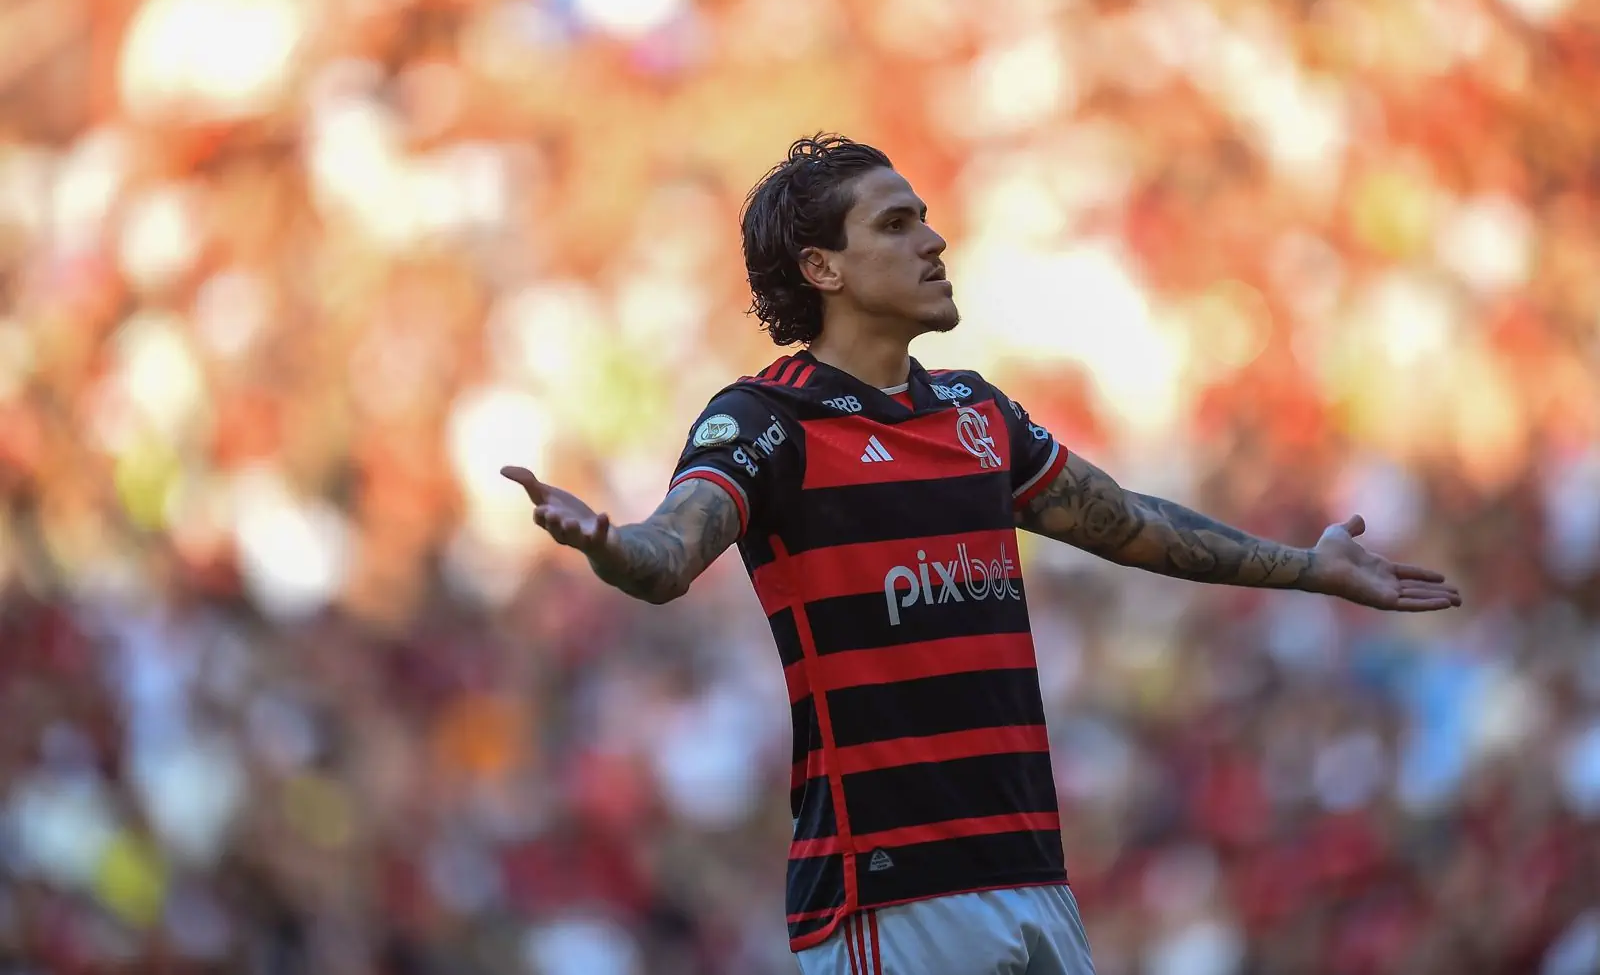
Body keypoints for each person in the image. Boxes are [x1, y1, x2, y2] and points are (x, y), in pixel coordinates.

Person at [501, 135, 1462, 975]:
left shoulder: (976, 413)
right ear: (823, 268)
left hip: (1031, 867)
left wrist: (1307, 565)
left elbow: (1129, 522)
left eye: (926, 217)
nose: (933, 238)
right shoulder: (767, 419)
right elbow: (670, 553)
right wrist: (610, 545)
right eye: (895, 224)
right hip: (891, 890)